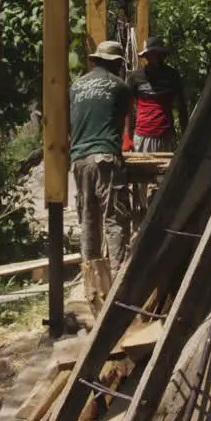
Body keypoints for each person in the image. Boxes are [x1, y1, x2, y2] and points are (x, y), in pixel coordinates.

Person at [70, 40, 133, 315]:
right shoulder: (119, 86)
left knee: (88, 222)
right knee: (115, 221)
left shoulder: (76, 86)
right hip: (105, 159)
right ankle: (119, 290)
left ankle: (92, 291)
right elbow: (120, 122)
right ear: (117, 63)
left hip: (79, 160)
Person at [125, 36, 190, 153]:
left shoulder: (172, 75)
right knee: (141, 170)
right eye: (151, 53)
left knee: (166, 170)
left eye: (157, 53)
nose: (154, 57)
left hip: (166, 135)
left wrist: (186, 135)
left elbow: (182, 107)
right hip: (142, 135)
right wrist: (127, 136)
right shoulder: (136, 77)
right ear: (146, 56)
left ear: (162, 54)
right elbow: (128, 108)